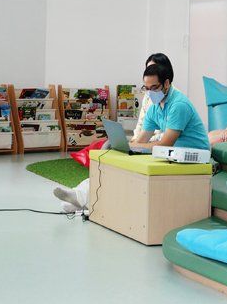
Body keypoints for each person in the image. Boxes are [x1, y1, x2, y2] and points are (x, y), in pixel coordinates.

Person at [52, 53, 174, 214]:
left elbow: (164, 139)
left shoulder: (174, 101)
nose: (149, 84)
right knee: (108, 147)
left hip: (156, 145)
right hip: (143, 141)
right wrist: (133, 143)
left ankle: (81, 199)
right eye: (147, 71)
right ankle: (82, 199)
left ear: (165, 79)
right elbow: (143, 128)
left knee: (118, 156)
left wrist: (138, 145)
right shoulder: (149, 96)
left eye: (154, 72)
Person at [132, 62, 210, 151]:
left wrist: (135, 146)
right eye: (147, 88)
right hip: (175, 154)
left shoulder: (179, 105)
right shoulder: (154, 108)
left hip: (196, 156)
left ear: (166, 83)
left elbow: (165, 145)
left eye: (154, 88)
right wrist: (130, 146)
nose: (150, 93)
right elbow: (141, 141)